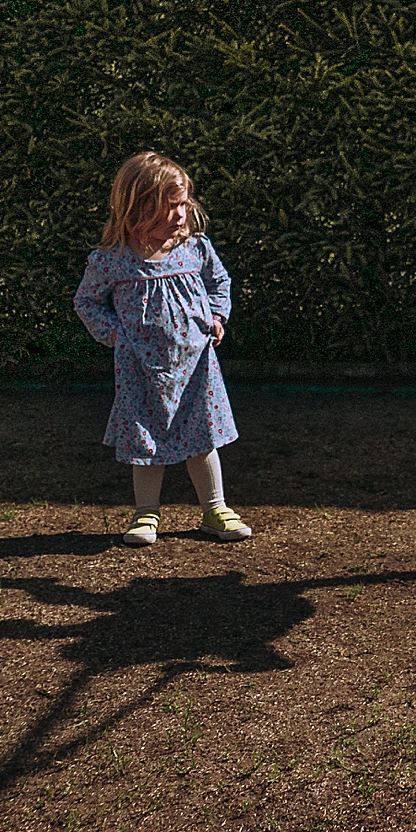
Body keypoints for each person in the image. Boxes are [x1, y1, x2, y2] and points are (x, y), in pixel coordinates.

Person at [73, 151, 251, 546]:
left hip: (196, 368)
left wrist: (217, 318)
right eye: (169, 206)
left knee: (202, 435)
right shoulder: (113, 261)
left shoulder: (195, 249)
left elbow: (219, 283)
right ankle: (146, 513)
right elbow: (86, 301)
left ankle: (215, 508)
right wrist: (114, 335)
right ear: (138, 206)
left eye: (183, 204)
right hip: (140, 370)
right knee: (145, 440)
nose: (180, 214)